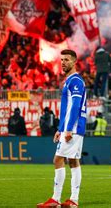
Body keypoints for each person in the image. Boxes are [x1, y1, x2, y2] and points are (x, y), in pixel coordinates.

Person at [38, 49, 87, 208]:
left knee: (58, 159)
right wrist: (60, 128)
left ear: (74, 61)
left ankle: (56, 199)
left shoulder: (75, 81)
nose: (63, 62)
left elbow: (75, 108)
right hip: (70, 127)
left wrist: (69, 130)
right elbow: (66, 108)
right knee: (73, 161)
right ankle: (73, 200)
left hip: (73, 128)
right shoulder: (70, 81)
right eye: (62, 60)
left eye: (67, 59)